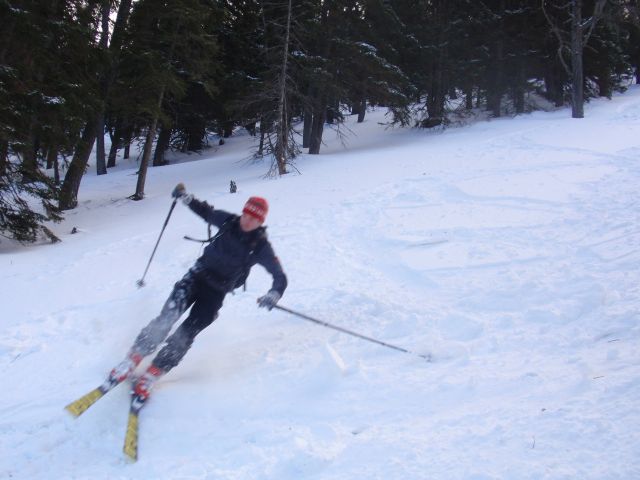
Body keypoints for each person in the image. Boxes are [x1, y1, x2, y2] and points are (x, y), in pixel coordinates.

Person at [109, 184, 287, 403]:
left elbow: (280, 276)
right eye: (247, 215)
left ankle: (153, 373)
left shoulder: (260, 246)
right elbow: (206, 212)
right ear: (243, 212)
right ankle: (132, 359)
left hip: (216, 293)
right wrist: (186, 197)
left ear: (260, 222)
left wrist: (274, 294)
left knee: (186, 333)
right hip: (195, 277)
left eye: (254, 219)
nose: (248, 221)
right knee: (167, 317)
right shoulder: (229, 221)